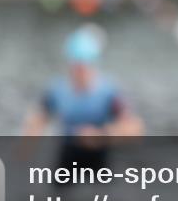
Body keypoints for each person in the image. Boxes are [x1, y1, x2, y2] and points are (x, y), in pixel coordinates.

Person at [21, 24, 144, 173]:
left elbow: (135, 128)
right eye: (76, 66)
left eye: (84, 66)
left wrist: (100, 135)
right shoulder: (58, 90)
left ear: (93, 64)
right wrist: (24, 152)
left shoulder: (108, 92)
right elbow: (39, 118)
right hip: (68, 154)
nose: (80, 72)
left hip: (100, 154)